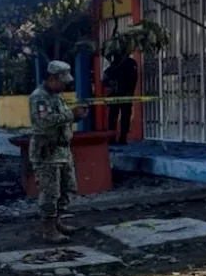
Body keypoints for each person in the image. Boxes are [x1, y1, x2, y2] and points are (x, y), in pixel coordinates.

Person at [29, 60, 89, 244]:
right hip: (47, 151)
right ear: (52, 78)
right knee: (50, 192)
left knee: (67, 188)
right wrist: (72, 114)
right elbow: (44, 122)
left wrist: (75, 115)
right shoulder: (40, 97)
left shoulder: (56, 96)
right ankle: (48, 229)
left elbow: (60, 119)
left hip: (62, 150)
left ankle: (57, 222)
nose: (65, 85)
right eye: (62, 81)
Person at [103, 50, 140, 144]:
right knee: (115, 117)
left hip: (124, 94)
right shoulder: (115, 65)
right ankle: (115, 137)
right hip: (118, 95)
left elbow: (133, 79)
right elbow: (106, 79)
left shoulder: (129, 63)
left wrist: (130, 91)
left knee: (123, 116)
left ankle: (122, 137)